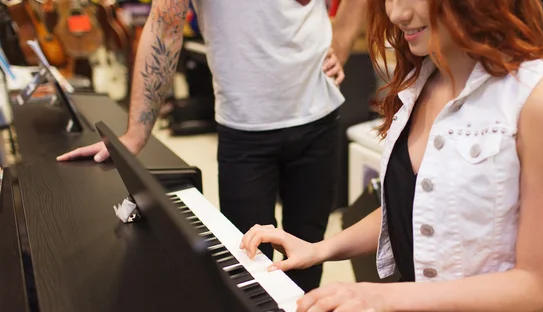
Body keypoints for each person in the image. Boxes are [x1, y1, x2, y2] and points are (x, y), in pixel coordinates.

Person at [239, 0, 543, 312]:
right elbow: (415, 205)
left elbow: (538, 289)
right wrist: (318, 249)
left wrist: (387, 298)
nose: (396, 13)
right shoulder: (422, 81)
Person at [56, 0, 367, 292]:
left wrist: (340, 44)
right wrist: (136, 134)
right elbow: (165, 25)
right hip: (244, 131)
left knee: (307, 255)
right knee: (250, 266)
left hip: (319, 115)